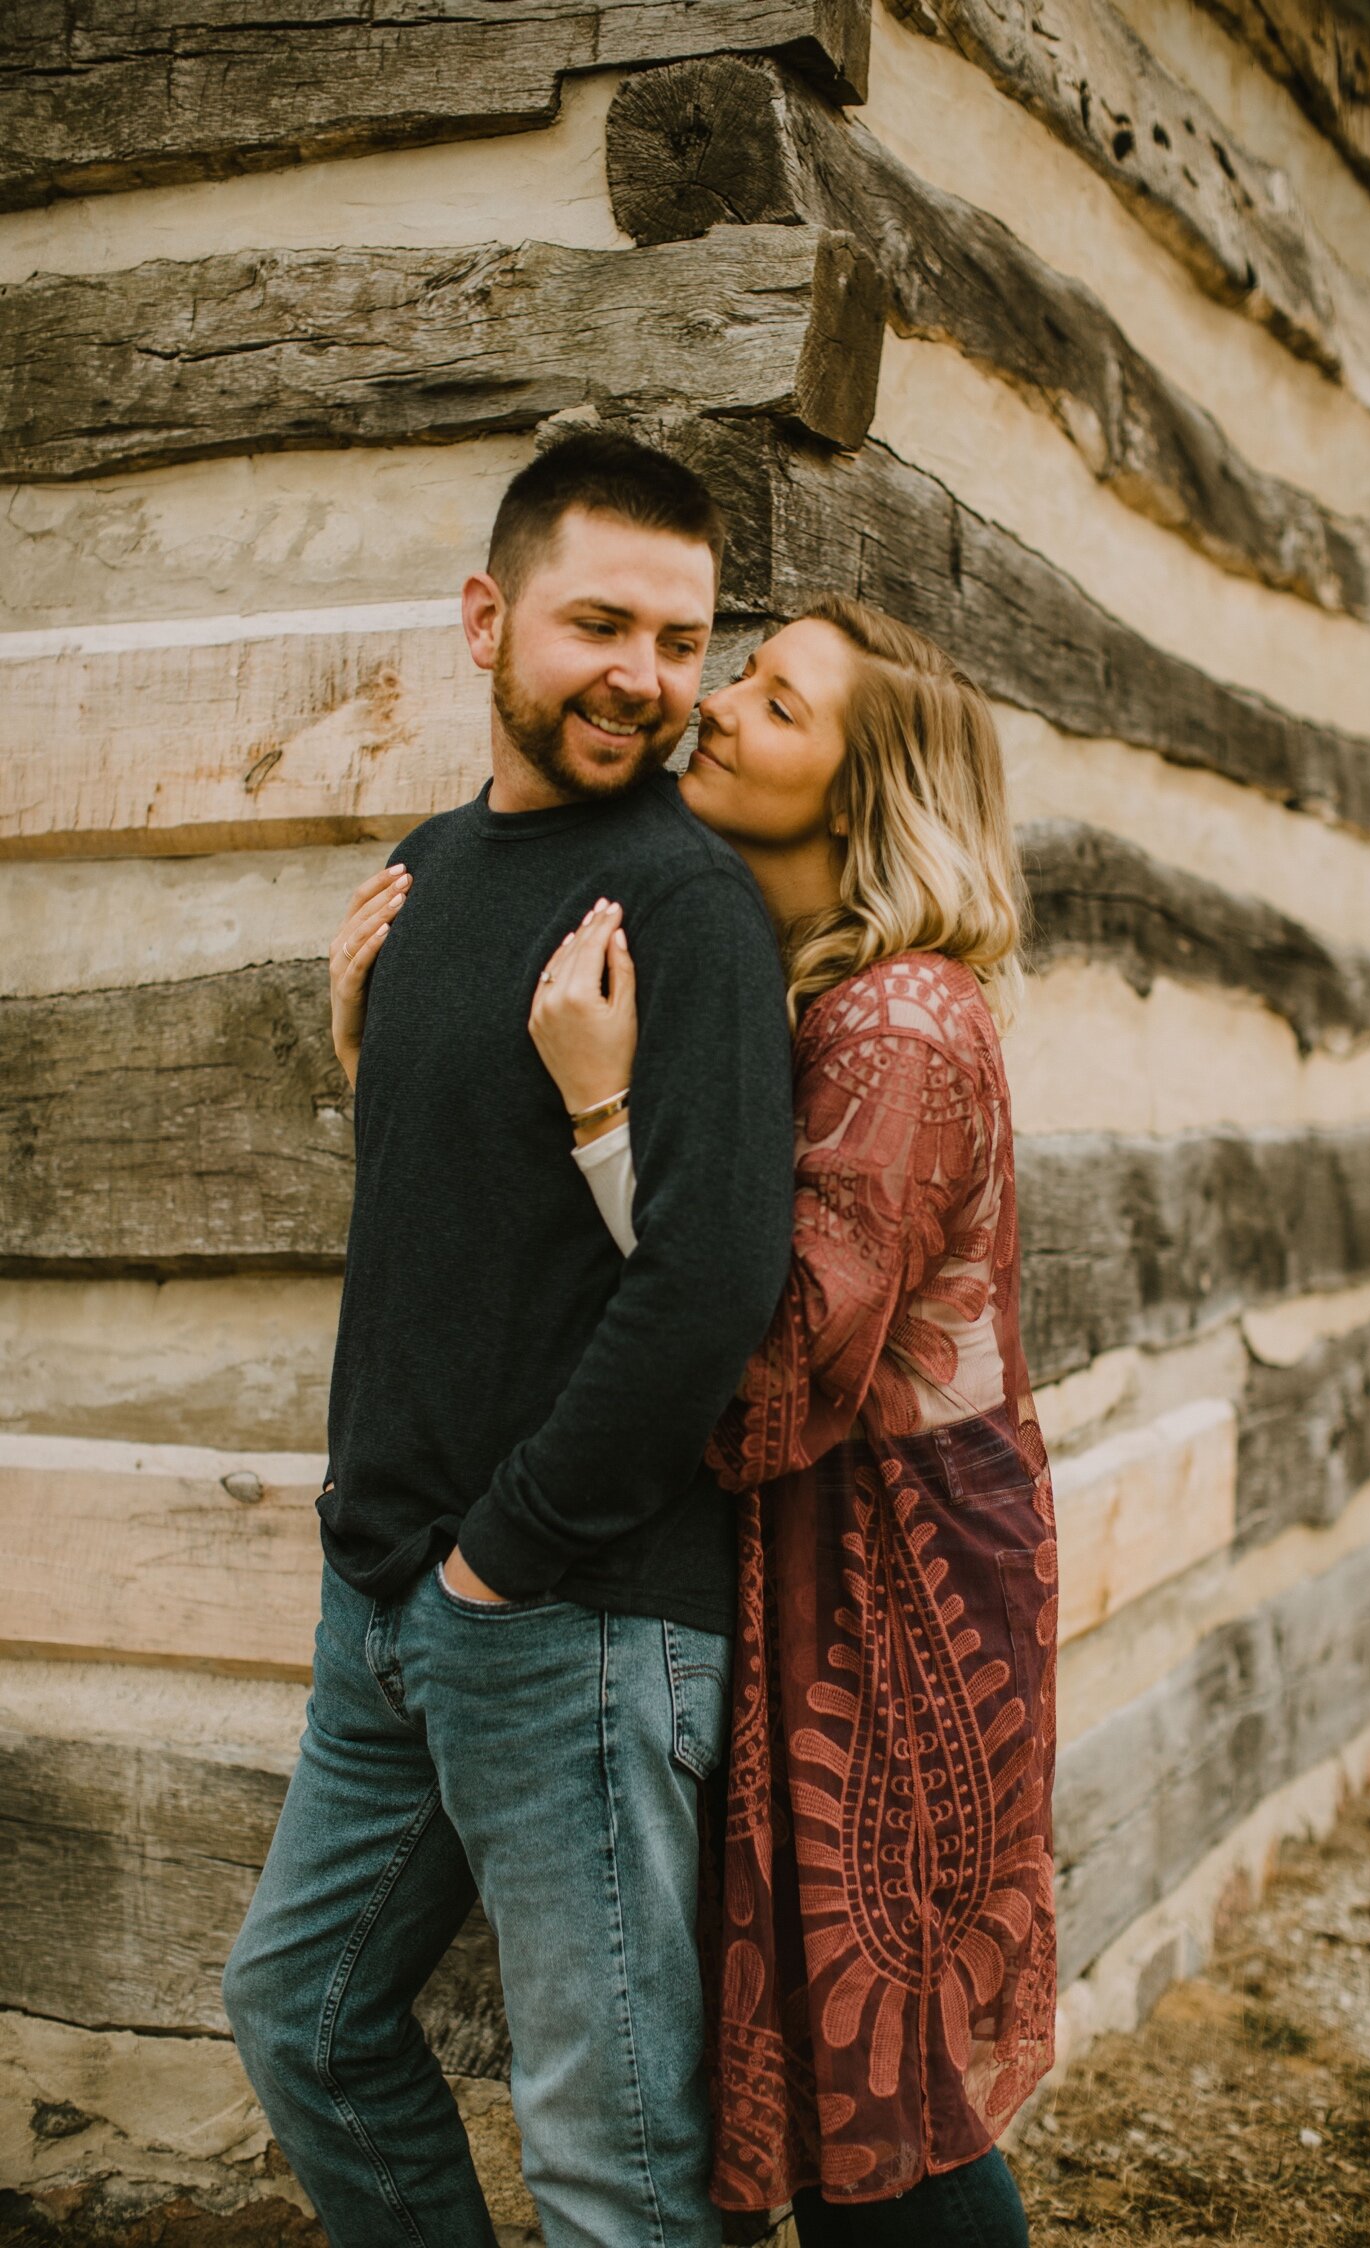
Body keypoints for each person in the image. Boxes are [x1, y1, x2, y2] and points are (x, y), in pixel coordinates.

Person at [222, 430, 796, 2248]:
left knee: (611, 2165)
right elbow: (457, 1212)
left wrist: (501, 1560)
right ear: (489, 620)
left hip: (572, 1613)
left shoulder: (690, 911)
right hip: (384, 1595)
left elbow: (707, 1286)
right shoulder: (428, 871)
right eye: (599, 622)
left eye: (682, 637)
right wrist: (367, 1060)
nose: (644, 675)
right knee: (300, 2019)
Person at [527, 595, 1055, 2244]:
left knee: (887, 2079)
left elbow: (766, 1377)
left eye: (779, 703)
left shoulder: (898, 1024)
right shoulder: (830, 993)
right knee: (852, 2087)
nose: (721, 709)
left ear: (865, 792)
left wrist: (602, 1110)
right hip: (860, 1562)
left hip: (896, 1593)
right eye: (741, 677)